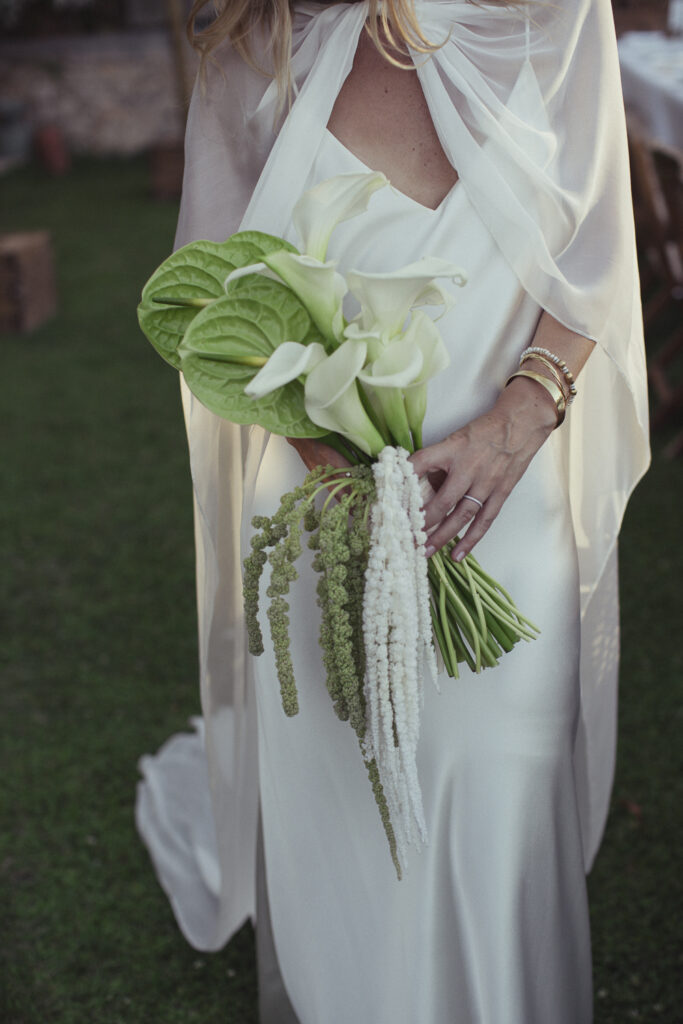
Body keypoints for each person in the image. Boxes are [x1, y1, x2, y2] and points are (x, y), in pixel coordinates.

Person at [135, 2, 650, 1022]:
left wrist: (523, 412)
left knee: (496, 814)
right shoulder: (251, 40)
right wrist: (339, 473)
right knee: (350, 841)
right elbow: (207, 296)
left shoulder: (554, 12)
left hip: (506, 512)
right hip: (326, 524)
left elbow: (596, 235)